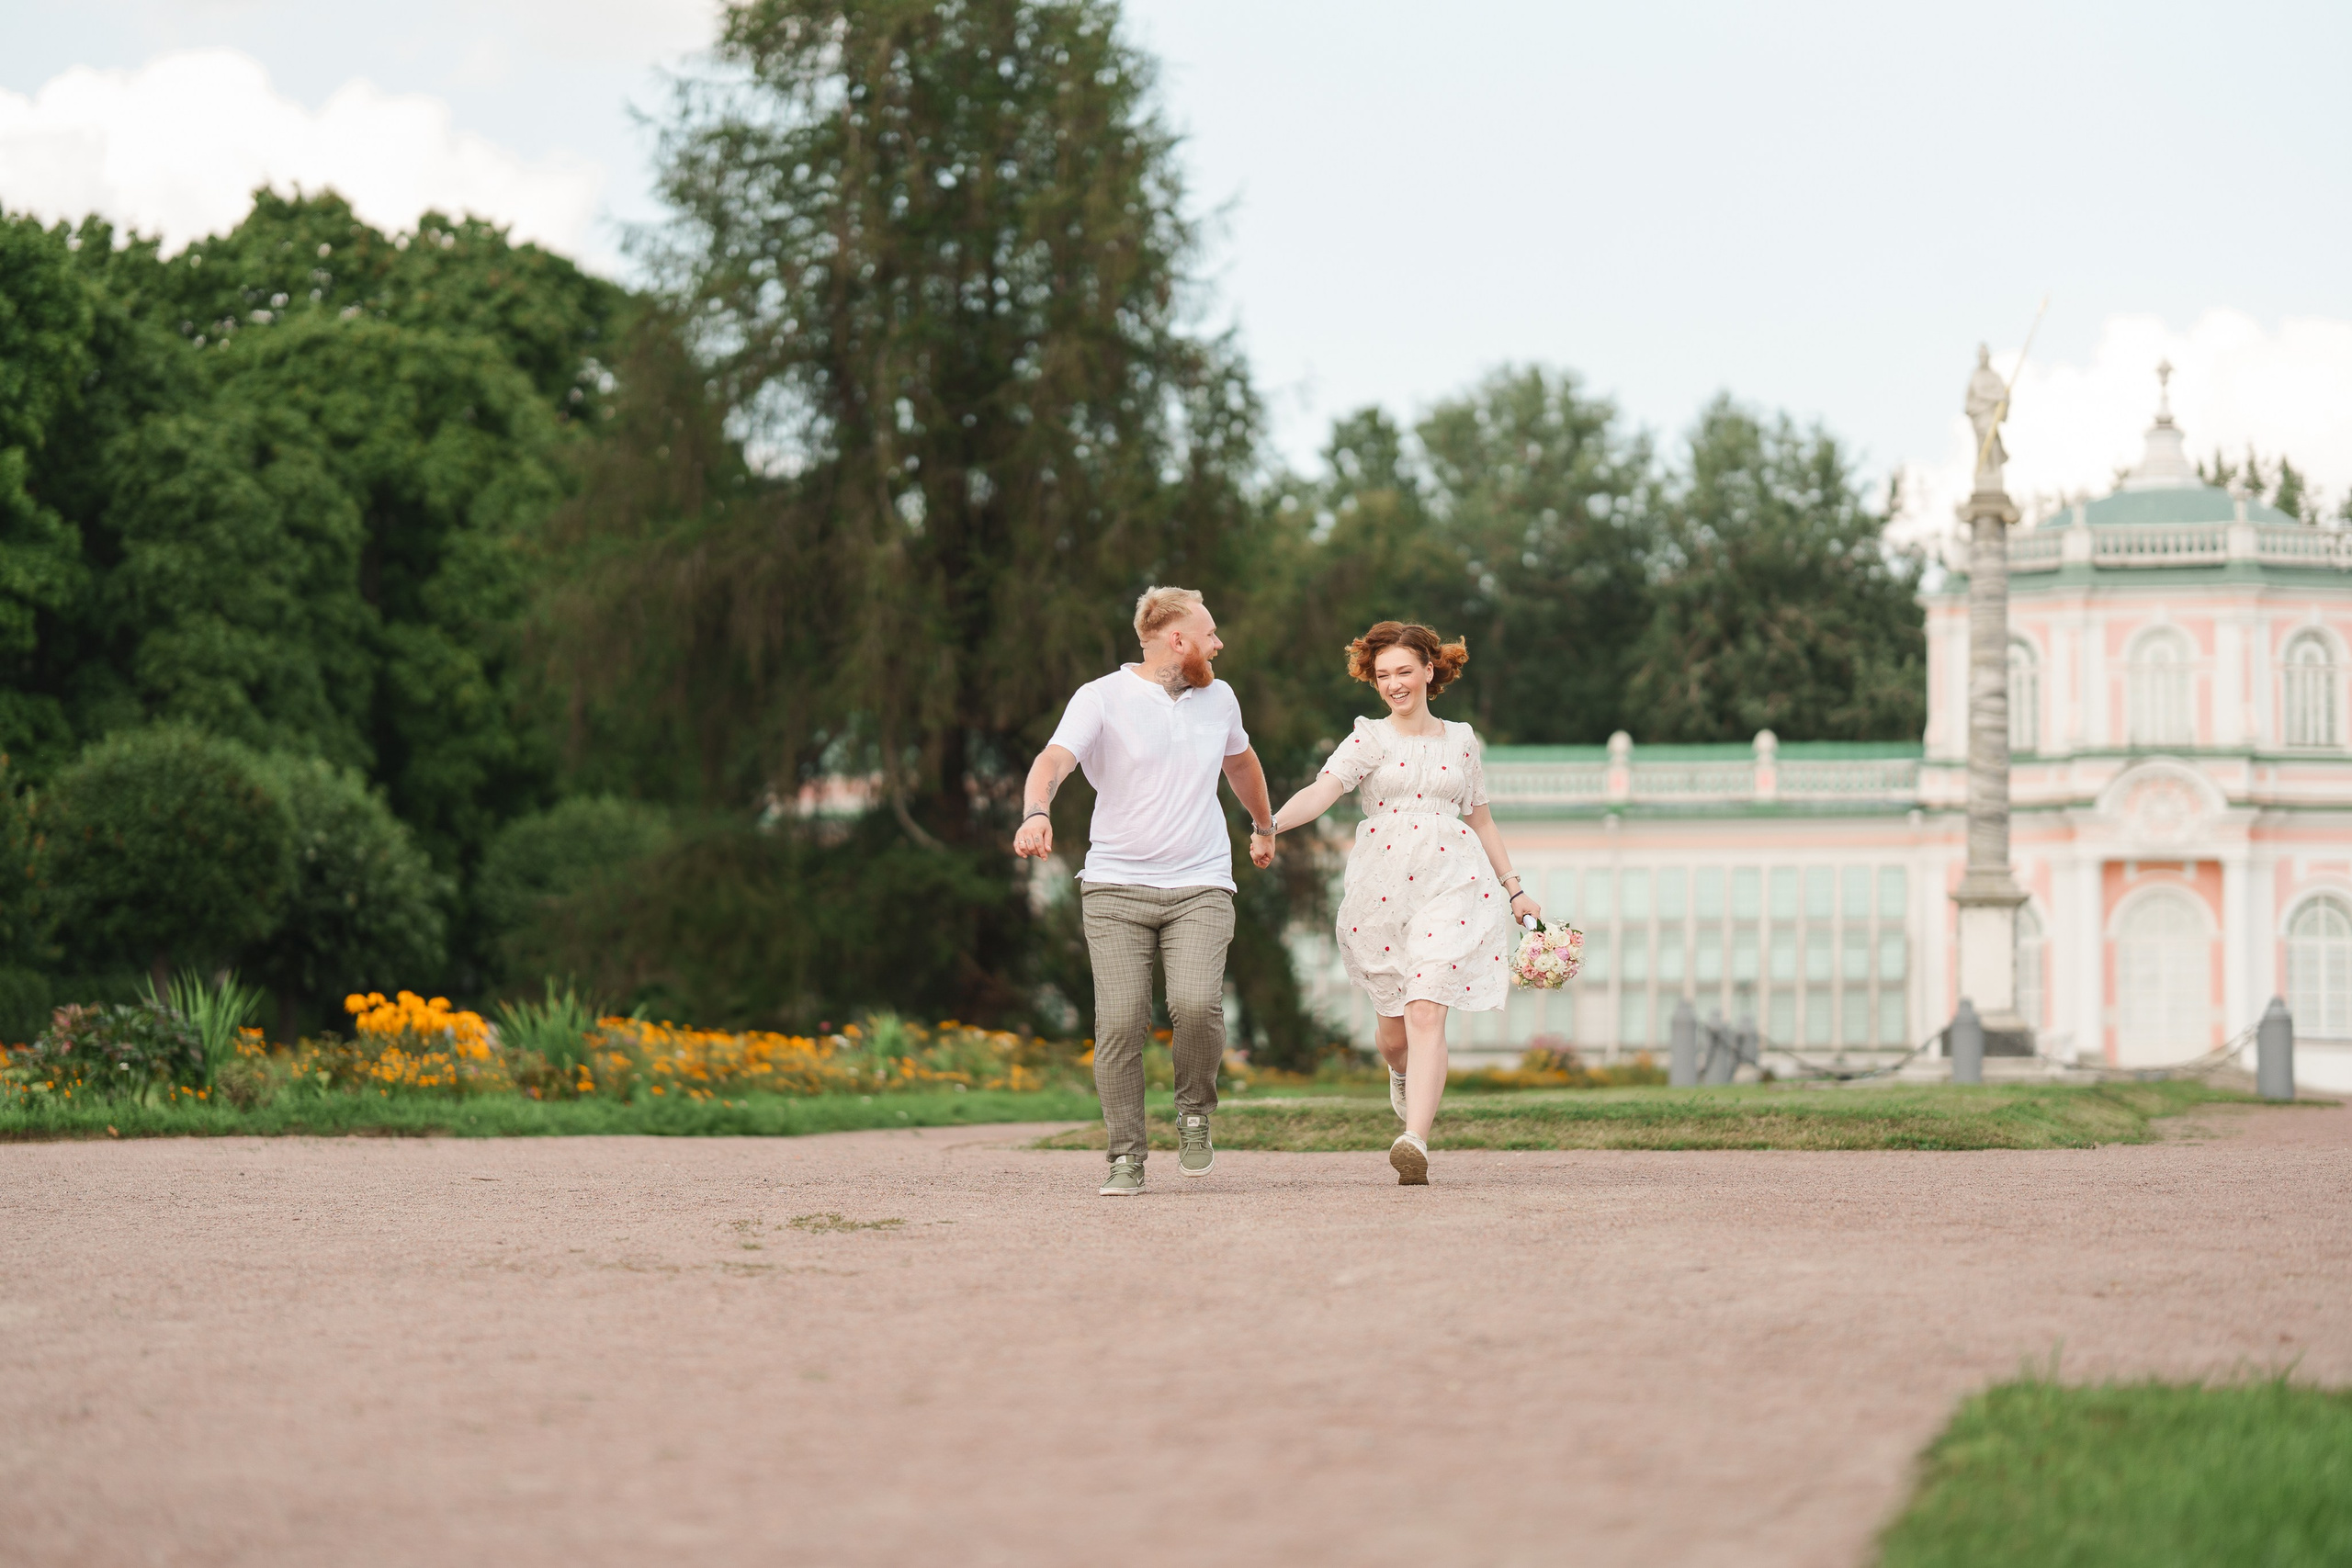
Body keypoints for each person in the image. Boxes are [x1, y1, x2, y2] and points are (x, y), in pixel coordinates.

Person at [1014, 587, 1276, 1196]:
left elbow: (1242, 764)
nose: (1219, 644)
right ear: (1177, 640)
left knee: (1196, 1005)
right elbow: (1053, 759)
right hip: (1115, 888)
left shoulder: (1221, 698)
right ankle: (1126, 1155)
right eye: (1210, 634)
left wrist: (1263, 827)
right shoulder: (1101, 697)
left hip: (1201, 883)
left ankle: (1193, 1112)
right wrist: (1035, 811)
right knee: (1122, 1021)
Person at [1264, 621, 1539, 1185]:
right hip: (1382, 886)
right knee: (1395, 1030)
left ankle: (1414, 1139)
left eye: (1404, 672)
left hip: (1452, 880)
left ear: (1429, 671)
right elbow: (1322, 792)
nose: (1393, 684)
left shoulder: (1462, 739)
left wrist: (1514, 887)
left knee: (1426, 1006)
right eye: (1383, 675)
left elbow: (1480, 817)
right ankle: (1400, 1072)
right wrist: (1270, 825)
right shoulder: (1368, 737)